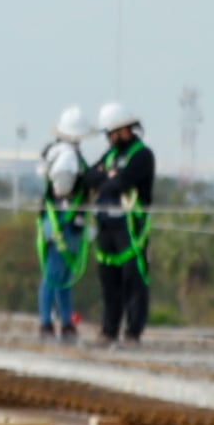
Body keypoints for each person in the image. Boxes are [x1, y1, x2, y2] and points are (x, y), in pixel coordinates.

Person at [86, 104, 158, 343]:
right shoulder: (111, 155)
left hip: (131, 228)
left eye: (110, 133)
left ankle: (133, 331)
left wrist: (108, 178)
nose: (108, 138)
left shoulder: (142, 155)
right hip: (107, 226)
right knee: (109, 281)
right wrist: (108, 176)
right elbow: (89, 177)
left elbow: (121, 183)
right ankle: (109, 330)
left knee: (133, 280)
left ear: (122, 130)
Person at [32, 107, 91, 338]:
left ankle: (66, 322)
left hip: (57, 222)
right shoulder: (67, 156)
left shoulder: (58, 152)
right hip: (63, 223)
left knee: (64, 278)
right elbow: (62, 188)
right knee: (54, 275)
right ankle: (47, 322)